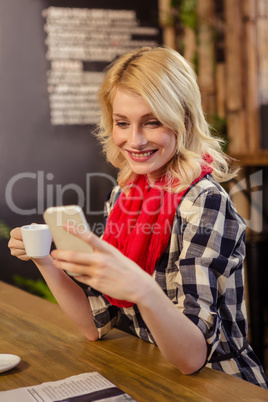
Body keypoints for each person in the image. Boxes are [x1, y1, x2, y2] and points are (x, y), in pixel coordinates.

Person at [9, 46, 268, 388]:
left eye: (152, 122)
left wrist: (142, 288)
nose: (135, 140)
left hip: (221, 385)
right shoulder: (124, 194)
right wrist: (43, 258)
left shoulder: (205, 202)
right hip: (152, 371)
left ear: (184, 120)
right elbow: (93, 325)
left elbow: (192, 358)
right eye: (122, 123)